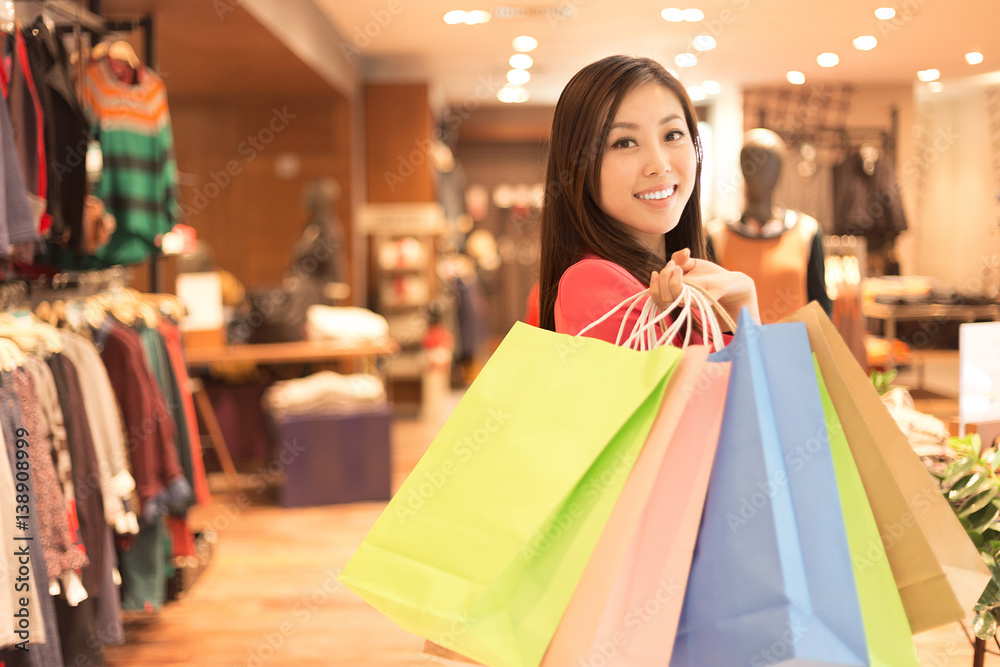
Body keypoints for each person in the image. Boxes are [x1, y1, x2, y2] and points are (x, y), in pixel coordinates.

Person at [537, 55, 758, 345]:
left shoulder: (681, 287)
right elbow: (736, 390)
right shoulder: (593, 284)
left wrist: (744, 303)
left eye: (673, 134)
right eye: (624, 142)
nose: (659, 164)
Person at [706, 128, 832, 323]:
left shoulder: (806, 231)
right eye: (753, 163)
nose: (760, 172)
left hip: (793, 350)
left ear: (779, 170)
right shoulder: (717, 234)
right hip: (738, 350)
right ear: (743, 168)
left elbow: (821, 307)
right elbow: (709, 310)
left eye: (768, 163)